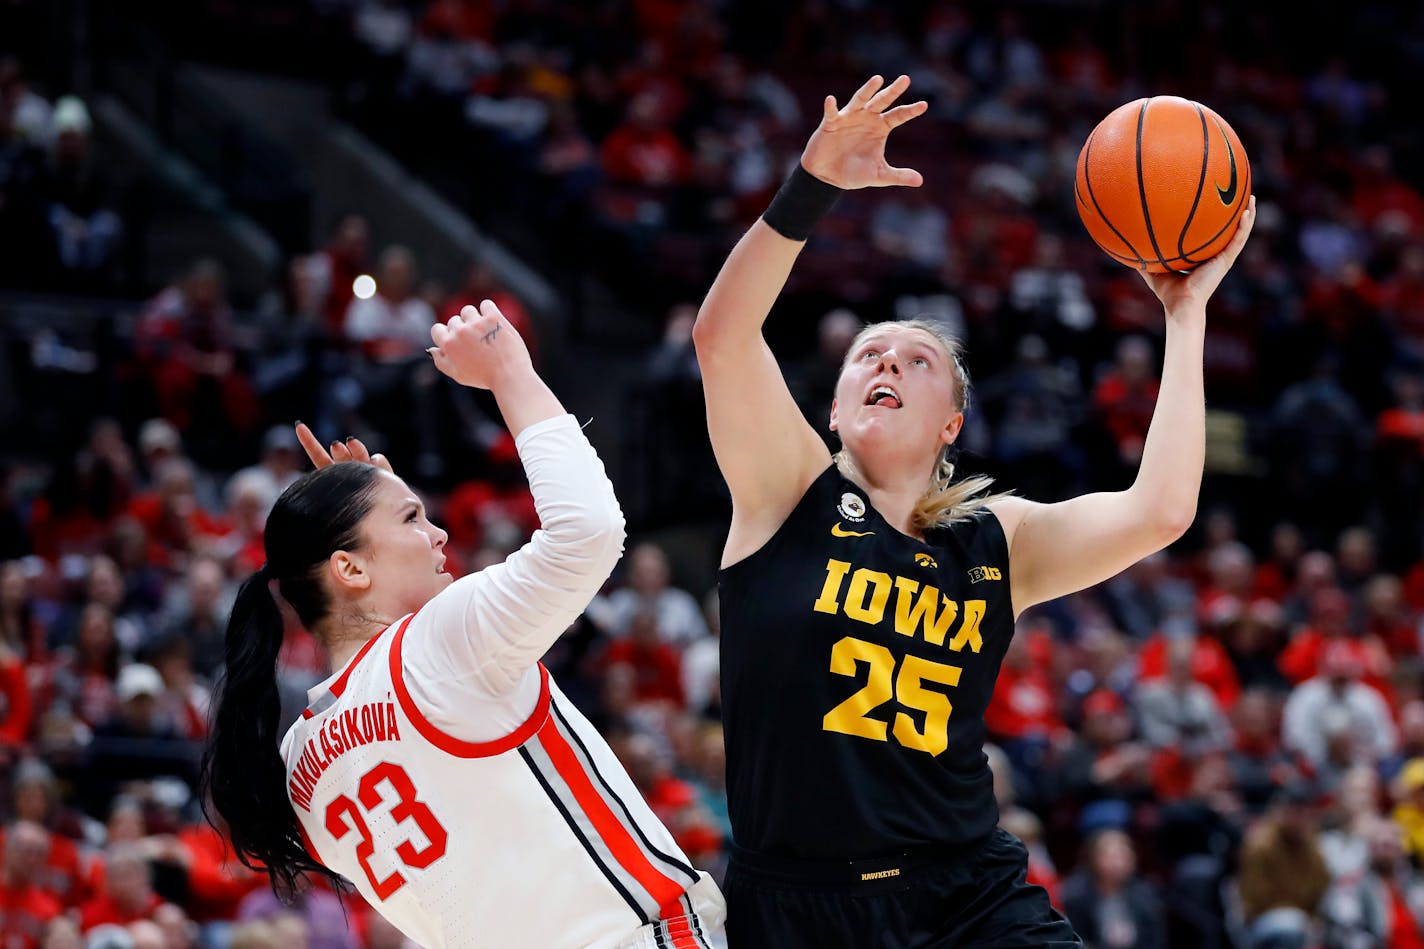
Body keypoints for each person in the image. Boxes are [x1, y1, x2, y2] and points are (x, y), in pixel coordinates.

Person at [692, 73, 1255, 948]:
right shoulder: (783, 492)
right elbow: (723, 336)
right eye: (867, 354)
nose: (885, 359)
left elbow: (1163, 511)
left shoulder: (999, 538)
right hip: (796, 904)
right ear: (834, 409)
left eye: (916, 360)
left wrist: (1186, 314)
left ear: (951, 421)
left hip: (966, 894)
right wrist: (814, 186)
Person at [202, 302, 724, 949]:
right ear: (349, 568)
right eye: (415, 518)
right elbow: (588, 531)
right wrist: (511, 372)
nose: (441, 532)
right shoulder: (442, 645)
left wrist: (377, 508)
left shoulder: (302, 759)